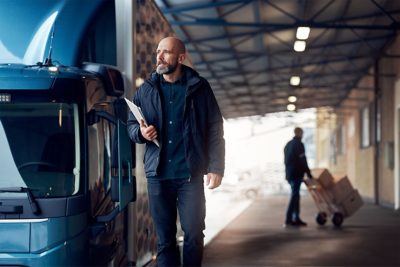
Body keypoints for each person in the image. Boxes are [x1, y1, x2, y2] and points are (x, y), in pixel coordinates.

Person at [127, 36, 225, 267]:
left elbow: (214, 128)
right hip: (158, 176)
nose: (159, 57)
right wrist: (141, 134)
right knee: (165, 240)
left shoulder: (200, 88)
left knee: (193, 233)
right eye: (158, 51)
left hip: (189, 176)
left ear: (180, 58)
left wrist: (216, 167)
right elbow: (131, 126)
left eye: (166, 52)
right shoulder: (146, 90)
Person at [283, 127, 312, 227]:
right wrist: (308, 173)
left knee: (296, 196)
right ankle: (288, 219)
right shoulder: (299, 144)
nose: (303, 135)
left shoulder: (288, 145)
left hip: (290, 174)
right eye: (302, 133)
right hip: (296, 174)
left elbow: (286, 162)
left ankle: (296, 218)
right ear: (299, 133)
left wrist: (287, 174)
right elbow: (302, 159)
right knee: (295, 195)